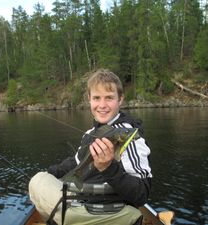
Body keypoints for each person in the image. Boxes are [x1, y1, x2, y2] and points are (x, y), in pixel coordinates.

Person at [29, 69, 152, 225]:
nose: (102, 105)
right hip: (86, 202)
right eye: (96, 98)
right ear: (89, 99)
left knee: (37, 183)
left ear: (120, 100)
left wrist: (108, 168)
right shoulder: (90, 133)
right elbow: (76, 161)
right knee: (42, 177)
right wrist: (51, 172)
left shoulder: (131, 137)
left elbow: (141, 195)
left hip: (111, 213)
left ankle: (67, 219)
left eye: (109, 98)